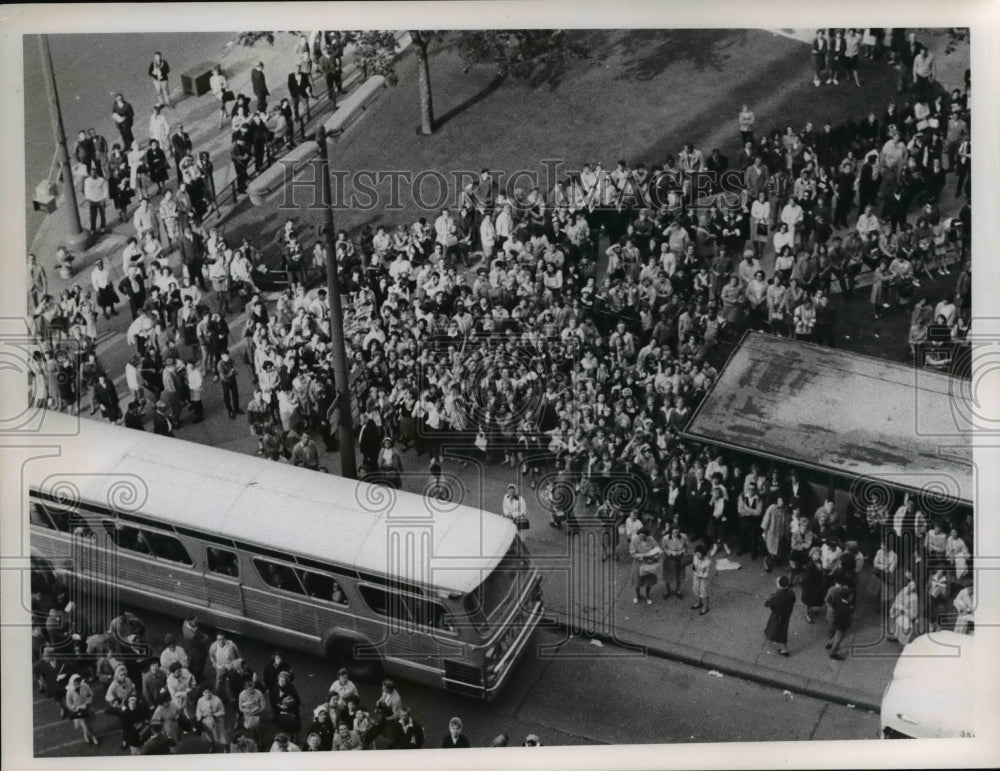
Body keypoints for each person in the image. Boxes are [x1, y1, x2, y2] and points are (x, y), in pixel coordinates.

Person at [764, 575, 796, 657]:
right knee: (782, 627)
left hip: (778, 614)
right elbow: (793, 600)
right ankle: (770, 634)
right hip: (787, 613)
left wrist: (770, 597)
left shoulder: (777, 595)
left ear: (779, 585)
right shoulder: (791, 592)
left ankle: (785, 649)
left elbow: (767, 603)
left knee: (779, 629)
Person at [825, 573, 853, 660]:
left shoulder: (837, 599)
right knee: (839, 637)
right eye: (851, 596)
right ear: (847, 597)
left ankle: (830, 642)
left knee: (836, 633)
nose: (852, 597)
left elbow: (829, 602)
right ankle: (833, 652)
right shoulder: (846, 608)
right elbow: (844, 619)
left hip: (836, 619)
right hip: (841, 625)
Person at [65, 673, 99, 746]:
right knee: (86, 726)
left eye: (78, 682)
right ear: (72, 683)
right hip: (79, 711)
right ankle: (93, 737)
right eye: (75, 683)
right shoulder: (69, 692)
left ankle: (85, 735)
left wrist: (88, 702)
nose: (77, 684)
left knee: (89, 724)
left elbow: (90, 694)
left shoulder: (85, 686)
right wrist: (76, 707)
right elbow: (68, 704)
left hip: (87, 708)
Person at [887, 577, 920, 645]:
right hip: (899, 611)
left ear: (915, 588)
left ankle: (904, 644)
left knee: (905, 629)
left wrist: (904, 611)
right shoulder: (904, 589)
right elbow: (898, 598)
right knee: (897, 625)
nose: (910, 586)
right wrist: (896, 607)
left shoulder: (914, 598)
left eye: (913, 586)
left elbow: (913, 611)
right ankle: (895, 637)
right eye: (910, 584)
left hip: (907, 615)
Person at [195, 686, 229, 752]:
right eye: (206, 692)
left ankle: (225, 748)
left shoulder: (217, 700)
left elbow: (222, 711)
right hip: (206, 721)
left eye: (209, 692)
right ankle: (212, 745)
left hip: (217, 720)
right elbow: (198, 711)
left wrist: (214, 715)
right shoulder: (200, 700)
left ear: (212, 692)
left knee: (221, 735)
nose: (208, 694)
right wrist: (200, 718)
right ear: (203, 693)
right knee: (209, 735)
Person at [660, 524, 689, 599]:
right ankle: (667, 590)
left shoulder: (684, 536)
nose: (676, 534)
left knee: (680, 575)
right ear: (671, 532)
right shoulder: (665, 538)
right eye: (674, 532)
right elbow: (663, 548)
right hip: (669, 558)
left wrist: (682, 551)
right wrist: (669, 552)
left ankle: (678, 590)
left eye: (677, 532)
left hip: (680, 558)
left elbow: (686, 546)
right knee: (667, 575)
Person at [83, 166, 109, 235]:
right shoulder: (87, 181)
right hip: (92, 200)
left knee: (102, 215)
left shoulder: (101, 180)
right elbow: (86, 190)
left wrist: (104, 199)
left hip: (100, 200)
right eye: (91, 173)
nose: (92, 174)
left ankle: (103, 227)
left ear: (96, 173)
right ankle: (93, 229)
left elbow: (105, 189)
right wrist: (88, 199)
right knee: (93, 216)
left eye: (94, 173)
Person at [690, 543, 712, 615]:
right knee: (697, 590)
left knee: (704, 593)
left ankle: (706, 606)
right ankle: (699, 602)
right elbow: (694, 566)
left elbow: (707, 574)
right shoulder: (695, 557)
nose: (698, 556)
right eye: (697, 554)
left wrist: (700, 575)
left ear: (703, 555)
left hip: (703, 580)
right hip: (696, 578)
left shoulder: (707, 563)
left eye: (699, 555)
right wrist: (694, 572)